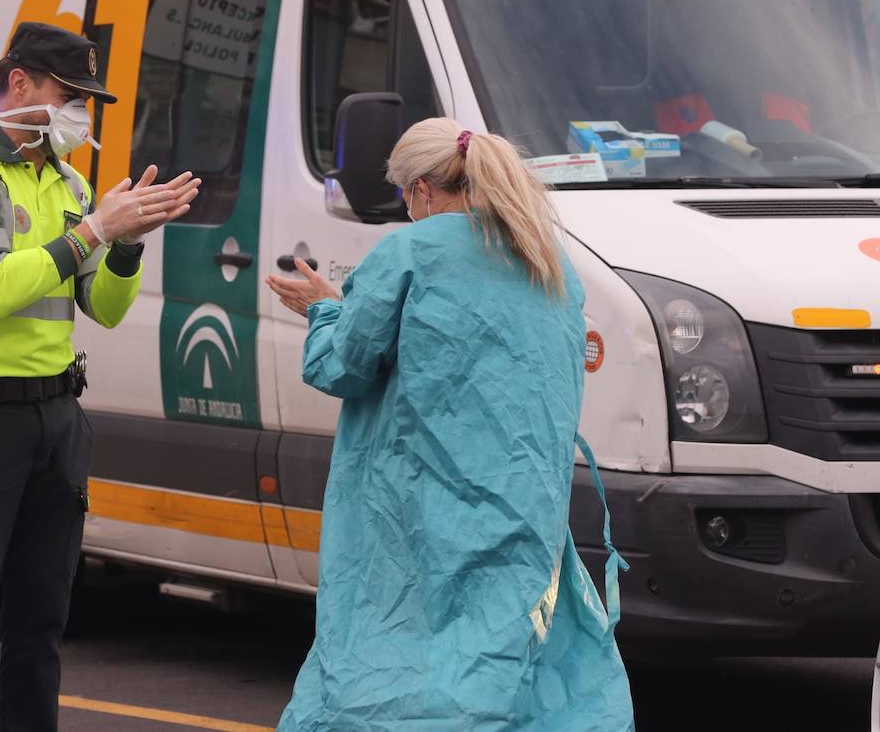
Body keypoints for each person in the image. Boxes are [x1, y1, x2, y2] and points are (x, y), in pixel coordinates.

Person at [266, 117, 634, 730]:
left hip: (414, 505)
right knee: (502, 659)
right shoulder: (546, 259)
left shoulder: (410, 252)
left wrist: (326, 312)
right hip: (524, 504)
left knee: (387, 654)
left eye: (405, 196)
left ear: (422, 190)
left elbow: (344, 367)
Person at [0, 21, 199, 732]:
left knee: (40, 628)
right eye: (70, 97)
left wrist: (126, 246)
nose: (80, 115)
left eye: (86, 102)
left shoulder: (71, 182)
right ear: (19, 84)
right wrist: (95, 230)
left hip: (55, 422)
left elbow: (103, 307)